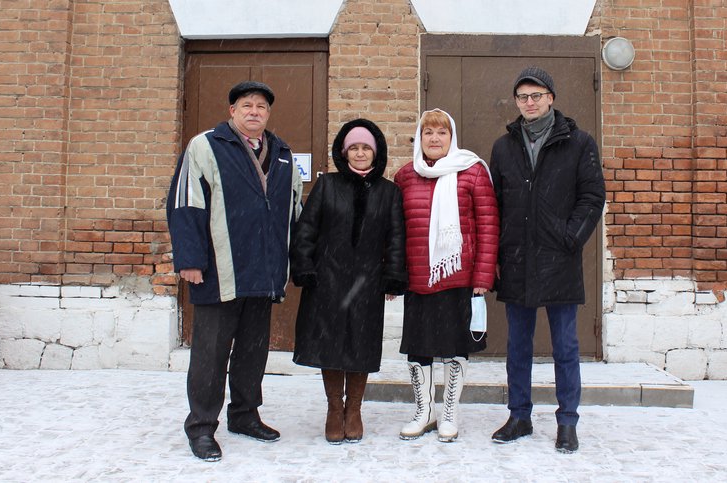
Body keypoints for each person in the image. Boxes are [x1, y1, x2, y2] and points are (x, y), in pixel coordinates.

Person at [166, 80, 303, 462]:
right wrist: (190, 259)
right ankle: (201, 427)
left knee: (252, 352)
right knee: (210, 354)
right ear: (233, 111)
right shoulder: (206, 146)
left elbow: (295, 214)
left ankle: (244, 415)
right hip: (219, 271)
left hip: (263, 272)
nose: (254, 112)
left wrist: (296, 262)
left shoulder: (282, 154)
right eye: (247, 105)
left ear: (268, 114)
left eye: (261, 106)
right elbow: (186, 203)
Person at [488, 67, 606, 453]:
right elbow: (496, 204)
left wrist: (571, 237)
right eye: (523, 96)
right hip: (518, 259)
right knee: (518, 345)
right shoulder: (504, 146)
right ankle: (519, 415)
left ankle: (567, 421)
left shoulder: (578, 142)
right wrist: (500, 251)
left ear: (551, 98)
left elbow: (592, 197)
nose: (530, 102)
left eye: (537, 95)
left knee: (566, 347)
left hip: (559, 258)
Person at [290, 119, 407, 444]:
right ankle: (333, 408)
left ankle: (353, 409)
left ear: (376, 152)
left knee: (361, 344)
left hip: (367, 283)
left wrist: (394, 276)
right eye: (353, 148)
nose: (359, 153)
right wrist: (304, 266)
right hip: (327, 280)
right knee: (330, 344)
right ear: (344, 152)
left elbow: (396, 238)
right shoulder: (327, 185)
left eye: (365, 148)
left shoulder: (389, 192)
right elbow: (306, 231)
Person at [393, 109, 499, 442]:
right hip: (418, 278)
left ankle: (449, 412)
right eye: (428, 133)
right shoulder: (406, 176)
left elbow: (488, 226)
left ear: (452, 138)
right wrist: (394, 275)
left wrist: (483, 276)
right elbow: (396, 231)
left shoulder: (472, 171)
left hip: (459, 278)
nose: (435, 139)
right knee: (419, 348)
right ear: (419, 138)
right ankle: (424, 411)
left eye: (442, 133)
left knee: (455, 347)